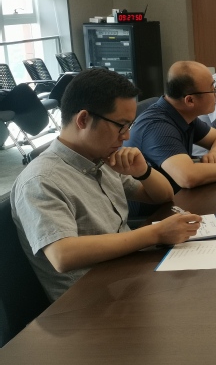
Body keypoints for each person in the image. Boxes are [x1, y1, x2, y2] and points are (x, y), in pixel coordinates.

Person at [11, 68, 201, 302]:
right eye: (121, 125)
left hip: (128, 279)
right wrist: (155, 234)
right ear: (83, 119)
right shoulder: (41, 180)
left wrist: (143, 171)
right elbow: (62, 255)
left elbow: (162, 196)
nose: (126, 136)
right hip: (91, 303)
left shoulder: (101, 158)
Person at [126, 61, 216, 192]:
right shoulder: (158, 127)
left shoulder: (182, 113)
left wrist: (215, 153)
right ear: (190, 100)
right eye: (212, 90)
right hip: (157, 203)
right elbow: (187, 177)